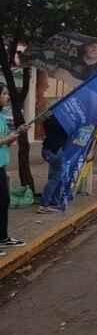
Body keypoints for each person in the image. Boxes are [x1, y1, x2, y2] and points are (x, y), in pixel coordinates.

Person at [0, 84, 29, 250]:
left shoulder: (2, 117)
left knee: (4, 202)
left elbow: (6, 143)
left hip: (2, 166)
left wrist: (17, 133)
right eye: (4, 94)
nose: (7, 97)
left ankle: (3, 238)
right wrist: (7, 138)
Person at [38, 115, 68, 213]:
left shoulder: (49, 120)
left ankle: (54, 201)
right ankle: (44, 205)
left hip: (46, 150)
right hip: (56, 151)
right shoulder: (64, 121)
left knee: (55, 176)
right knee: (55, 178)